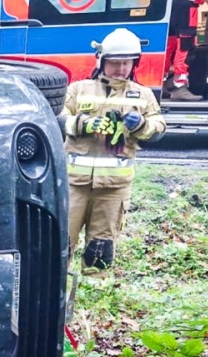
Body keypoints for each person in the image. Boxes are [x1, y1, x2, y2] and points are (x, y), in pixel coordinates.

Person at [59, 28, 167, 271]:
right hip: (73, 184)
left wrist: (141, 125)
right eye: (115, 63)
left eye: (126, 63)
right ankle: (56, 291)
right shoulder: (78, 89)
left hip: (113, 189)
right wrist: (83, 124)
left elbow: (159, 128)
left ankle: (96, 291)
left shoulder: (143, 95)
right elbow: (58, 118)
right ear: (102, 61)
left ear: (134, 63)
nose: (120, 68)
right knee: (60, 243)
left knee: (101, 246)